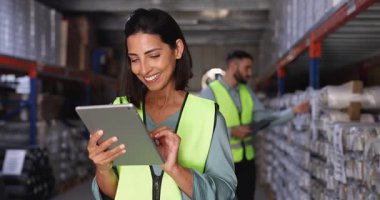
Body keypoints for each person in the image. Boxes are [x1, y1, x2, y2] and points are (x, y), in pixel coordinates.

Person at [88, 8, 237, 200]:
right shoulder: (120, 111)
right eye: (134, 59)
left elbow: (225, 194)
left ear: (178, 49)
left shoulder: (208, 117)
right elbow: (117, 192)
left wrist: (176, 170)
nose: (143, 69)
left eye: (153, 56)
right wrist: (103, 168)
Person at [198, 50, 309, 200]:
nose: (250, 73)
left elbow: (265, 119)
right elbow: (200, 127)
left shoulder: (246, 92)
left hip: (246, 163)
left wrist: (293, 111)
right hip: (221, 163)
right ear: (233, 66)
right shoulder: (209, 93)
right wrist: (231, 131)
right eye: (247, 68)